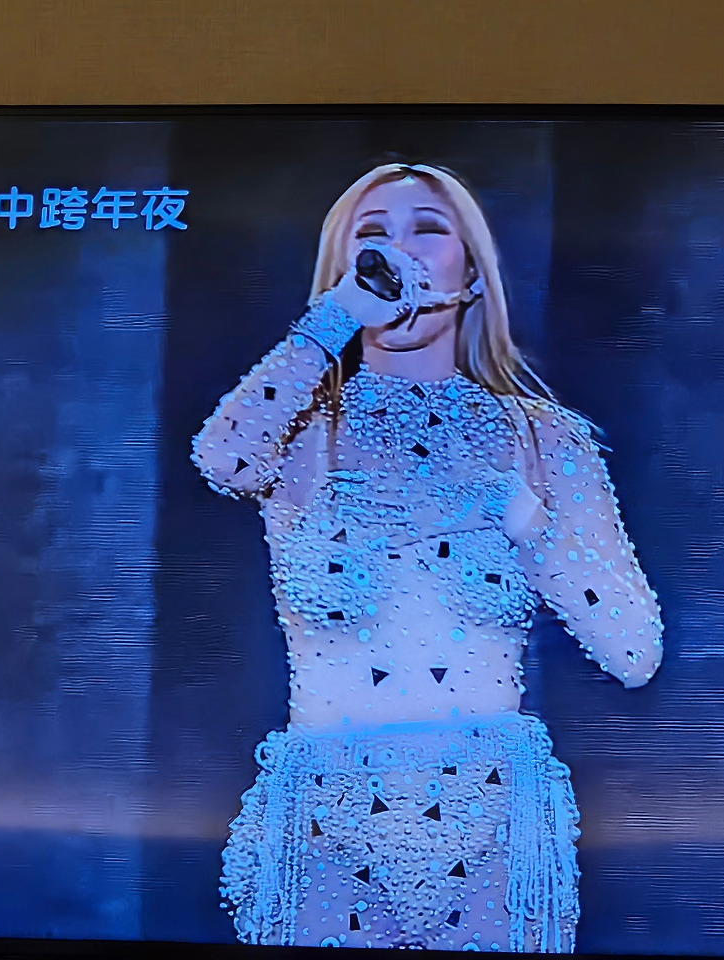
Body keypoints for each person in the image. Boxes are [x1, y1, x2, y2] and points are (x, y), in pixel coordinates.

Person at [191, 162, 663, 953]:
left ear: (472, 272)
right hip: (324, 825)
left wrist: (524, 518)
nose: (398, 252)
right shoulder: (301, 435)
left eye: (428, 230)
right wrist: (335, 319)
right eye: (372, 236)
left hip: (491, 824)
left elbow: (634, 649)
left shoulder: (544, 440)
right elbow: (222, 457)